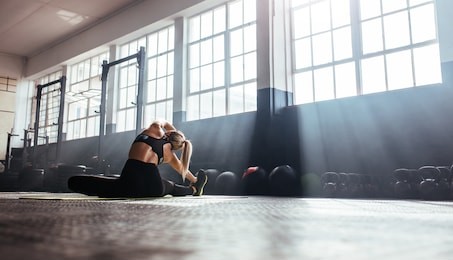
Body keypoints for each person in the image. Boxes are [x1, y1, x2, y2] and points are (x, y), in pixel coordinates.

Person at [68, 120, 208, 197]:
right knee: (169, 186)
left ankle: (194, 189)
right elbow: (183, 170)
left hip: (130, 176)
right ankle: (194, 190)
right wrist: (195, 180)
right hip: (153, 188)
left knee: (80, 182)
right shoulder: (170, 156)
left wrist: (174, 131)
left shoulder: (155, 129)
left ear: (170, 133)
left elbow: (164, 122)